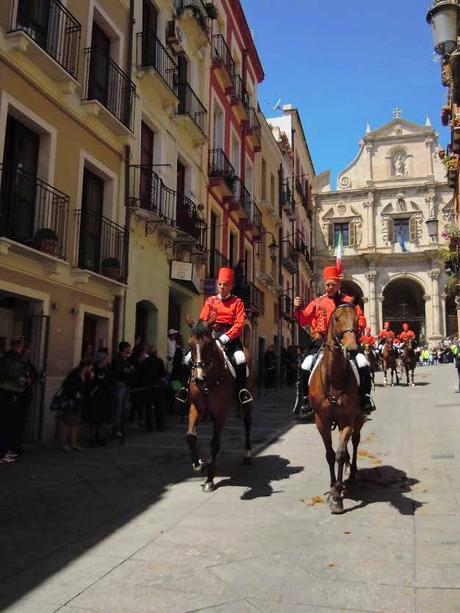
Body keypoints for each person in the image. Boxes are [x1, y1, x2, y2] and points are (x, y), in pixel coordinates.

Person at [292, 265, 374, 414]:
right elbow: (303, 320)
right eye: (328, 284)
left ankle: (365, 397)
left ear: (338, 284)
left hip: (346, 340)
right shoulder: (317, 302)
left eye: (333, 284)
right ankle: (306, 400)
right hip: (322, 341)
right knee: (305, 365)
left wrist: (357, 327)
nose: (330, 287)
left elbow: (360, 318)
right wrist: (297, 308)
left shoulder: (348, 301)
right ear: (324, 284)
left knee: (363, 363)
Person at [177, 267, 252, 408]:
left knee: (241, 359)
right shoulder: (210, 301)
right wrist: (206, 333)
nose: (222, 287)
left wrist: (227, 337)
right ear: (217, 284)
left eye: (225, 285)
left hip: (230, 339)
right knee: (187, 358)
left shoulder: (237, 303)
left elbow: (239, 324)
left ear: (231, 286)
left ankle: (241, 391)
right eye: (220, 284)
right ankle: (185, 388)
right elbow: (203, 319)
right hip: (210, 336)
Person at [0, 336, 29, 464]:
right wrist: (25, 381)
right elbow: (16, 377)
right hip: (10, 394)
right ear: (20, 345)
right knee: (7, 424)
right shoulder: (14, 359)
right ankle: (3, 452)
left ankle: (5, 451)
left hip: (6, 393)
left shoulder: (6, 356)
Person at [58, 357, 94, 451]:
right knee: (67, 422)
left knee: (76, 422)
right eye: (90, 366)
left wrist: (90, 378)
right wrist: (74, 393)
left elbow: (87, 388)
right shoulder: (75, 373)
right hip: (70, 400)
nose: (91, 368)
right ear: (86, 366)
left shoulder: (85, 375)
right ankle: (64, 443)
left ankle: (74, 443)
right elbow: (67, 385)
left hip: (78, 401)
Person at [138, 346, 166, 431]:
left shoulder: (144, 362)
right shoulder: (159, 361)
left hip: (147, 387)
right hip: (157, 386)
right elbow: (163, 373)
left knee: (148, 407)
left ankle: (149, 426)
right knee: (159, 407)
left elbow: (140, 374)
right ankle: (159, 426)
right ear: (156, 353)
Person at [87, 350, 112, 446]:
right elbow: (91, 383)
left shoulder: (107, 369)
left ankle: (101, 437)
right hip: (96, 397)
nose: (107, 360)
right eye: (106, 359)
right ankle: (93, 438)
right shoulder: (94, 370)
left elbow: (110, 380)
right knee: (94, 418)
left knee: (103, 418)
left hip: (105, 397)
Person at [111, 341, 134, 438]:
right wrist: (127, 370)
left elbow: (130, 369)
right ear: (124, 349)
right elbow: (119, 371)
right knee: (119, 407)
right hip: (120, 384)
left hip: (126, 384)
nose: (130, 350)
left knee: (124, 407)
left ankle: (121, 427)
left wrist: (129, 370)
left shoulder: (127, 359)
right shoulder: (118, 359)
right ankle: (116, 427)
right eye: (128, 348)